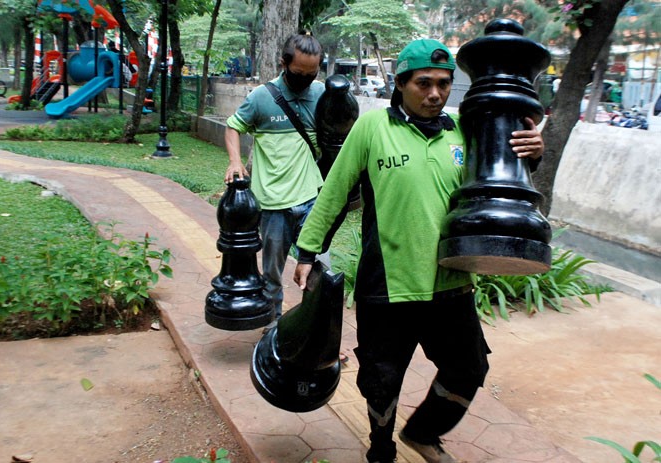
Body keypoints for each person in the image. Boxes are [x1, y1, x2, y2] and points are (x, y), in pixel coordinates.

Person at [293, 39, 544, 463]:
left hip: (451, 280)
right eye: (423, 83)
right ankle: (381, 448)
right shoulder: (373, 128)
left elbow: (502, 174)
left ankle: (424, 433)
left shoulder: (463, 128)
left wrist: (530, 153)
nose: (434, 94)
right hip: (387, 283)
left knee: (469, 368)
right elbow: (335, 192)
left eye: (444, 84)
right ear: (401, 83)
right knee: (381, 379)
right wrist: (306, 250)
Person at [223, 33, 325, 329]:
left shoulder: (321, 94)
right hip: (272, 205)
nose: (305, 80)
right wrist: (235, 161)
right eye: (298, 74)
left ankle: (315, 333)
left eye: (311, 74)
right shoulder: (261, 98)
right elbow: (233, 127)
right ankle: (274, 326)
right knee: (271, 272)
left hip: (312, 199)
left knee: (320, 270)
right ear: (283, 63)